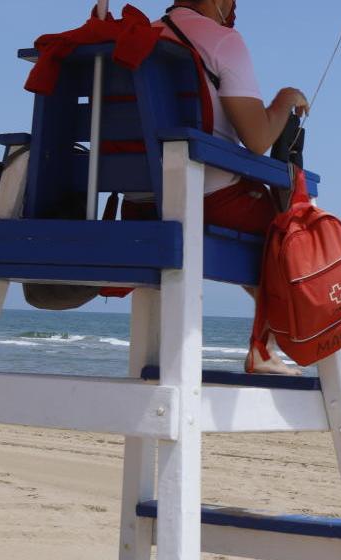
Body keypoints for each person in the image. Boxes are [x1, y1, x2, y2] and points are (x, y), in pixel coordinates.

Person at [123, 0, 310, 374]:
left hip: (138, 204)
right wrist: (284, 99)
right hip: (204, 197)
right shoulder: (223, 41)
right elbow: (257, 139)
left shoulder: (140, 38)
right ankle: (265, 345)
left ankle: (267, 342)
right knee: (292, 231)